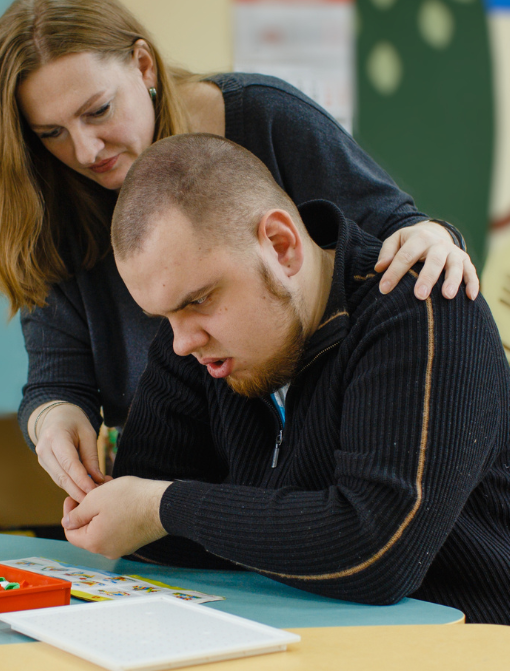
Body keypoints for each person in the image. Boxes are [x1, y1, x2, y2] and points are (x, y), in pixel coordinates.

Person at [0, 0, 479, 505]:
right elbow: (56, 379)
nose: (86, 150)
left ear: (143, 65)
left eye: (98, 111)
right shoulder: (48, 199)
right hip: (178, 468)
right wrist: (54, 418)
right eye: (51, 133)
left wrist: (435, 238)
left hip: (323, 461)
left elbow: (395, 235)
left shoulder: (263, 116)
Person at [59, 133, 510, 625]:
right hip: (301, 648)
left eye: (197, 301)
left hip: (466, 662)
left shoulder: (421, 307)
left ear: (281, 246)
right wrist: (155, 511)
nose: (181, 342)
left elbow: (377, 554)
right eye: (162, 316)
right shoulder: (193, 343)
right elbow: (153, 541)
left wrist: (162, 506)